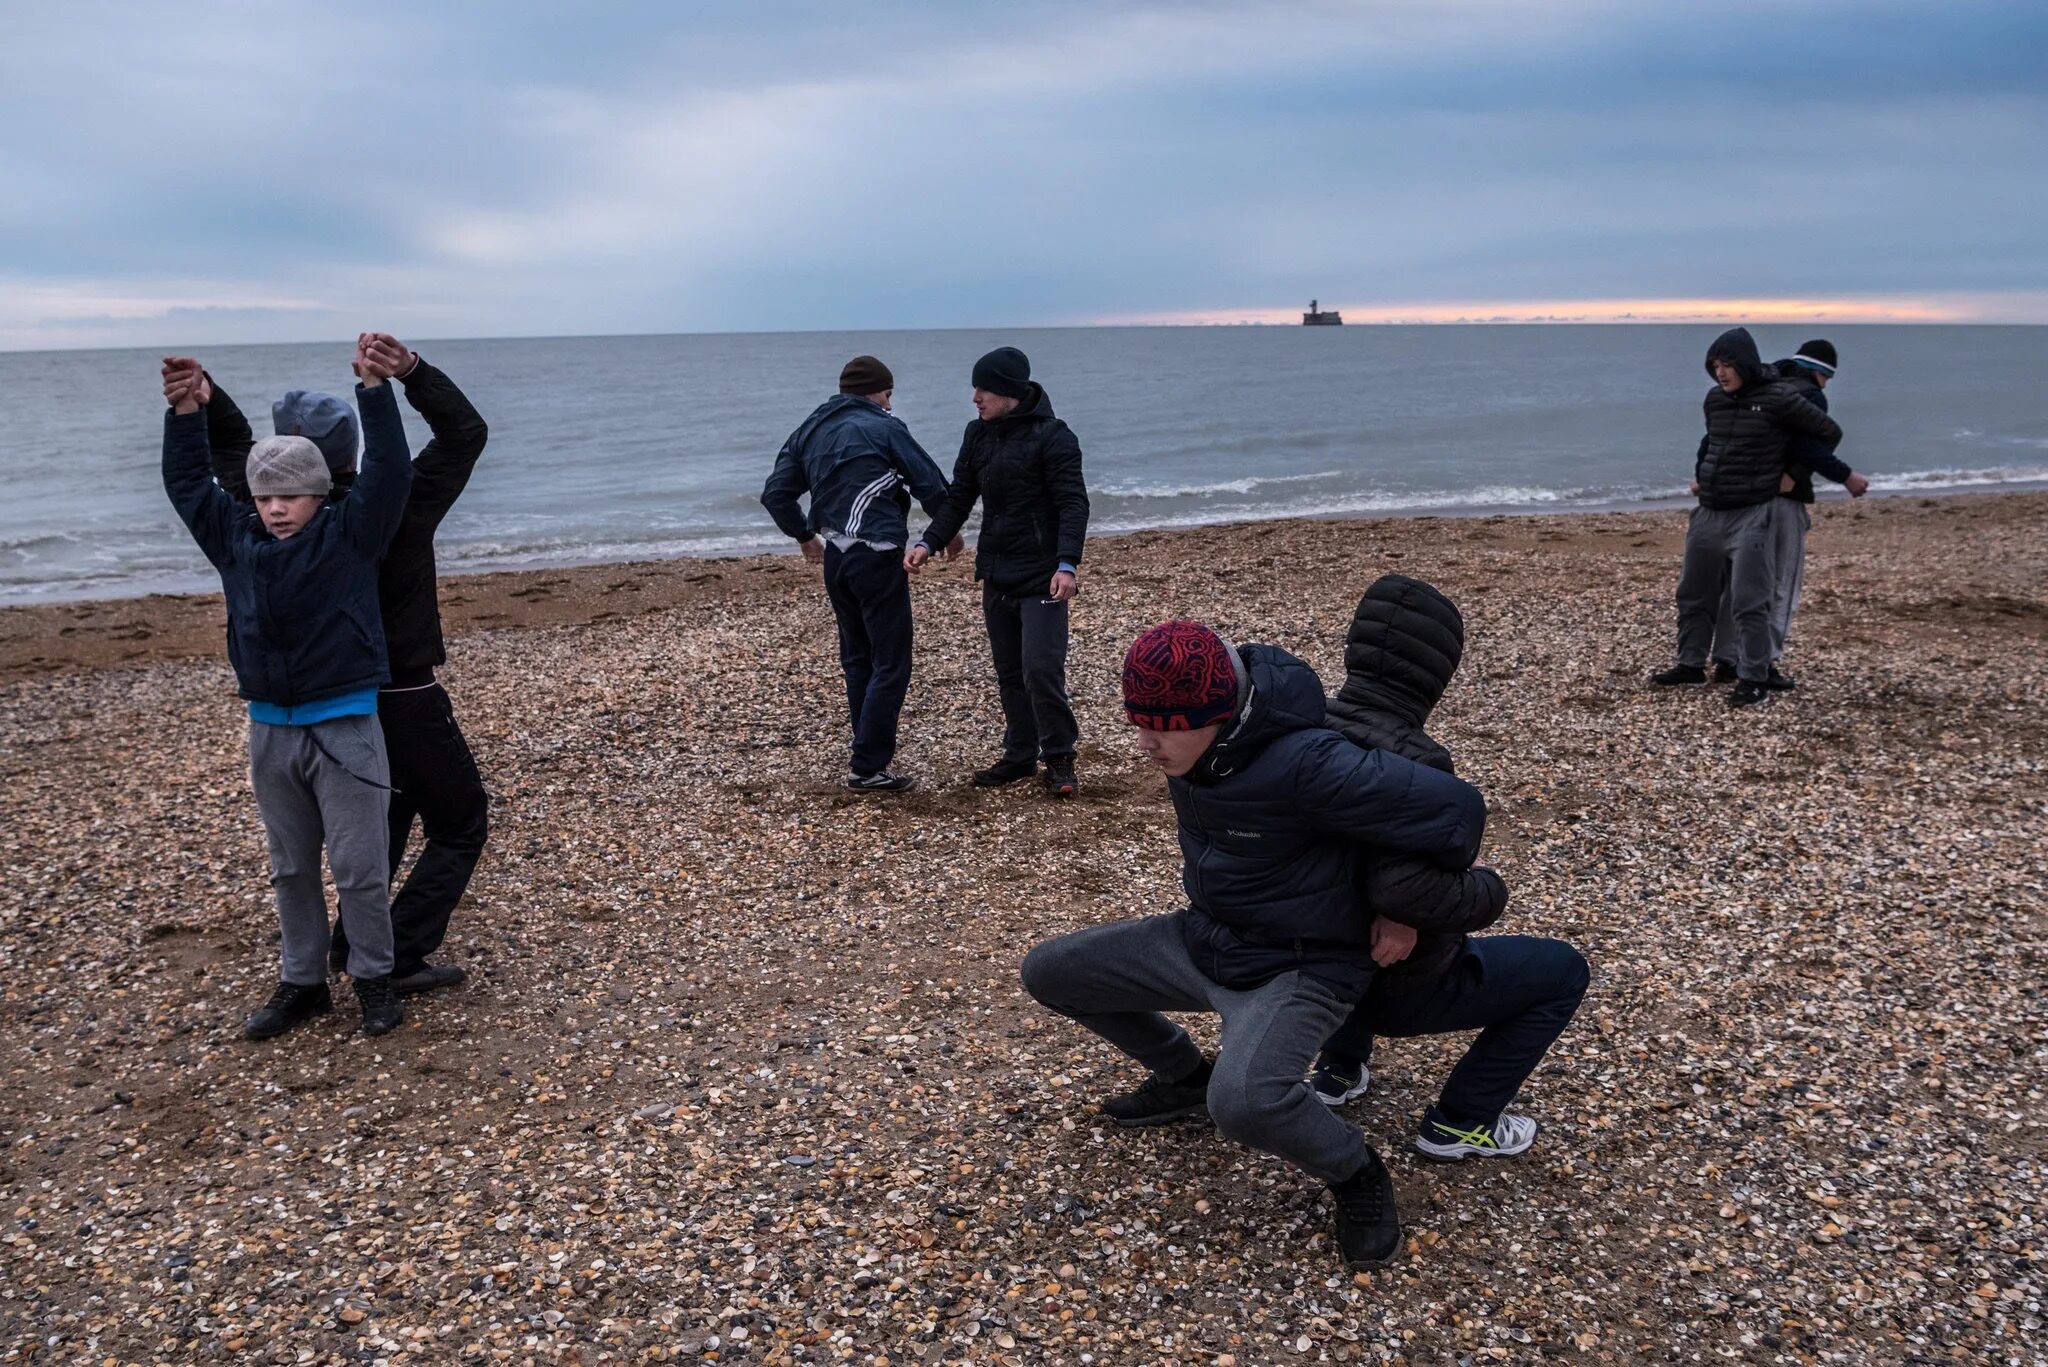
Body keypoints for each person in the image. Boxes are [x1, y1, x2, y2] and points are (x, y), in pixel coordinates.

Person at [1020, 620, 1488, 1269]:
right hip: (1209, 938)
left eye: (1161, 725)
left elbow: (1457, 812)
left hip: (1302, 965)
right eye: (1138, 721)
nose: (1143, 743)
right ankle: (1184, 1074)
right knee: (1050, 971)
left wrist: (1401, 908)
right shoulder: (1199, 742)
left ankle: (1357, 1174)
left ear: (1217, 713)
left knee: (1243, 1103)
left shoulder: (1310, 762)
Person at [196, 334, 493, 997]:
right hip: (400, 692)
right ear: (350, 446)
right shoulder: (394, 499)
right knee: (460, 817)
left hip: (320, 703)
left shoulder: (263, 513)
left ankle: (353, 945)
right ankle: (400, 949)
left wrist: (208, 404)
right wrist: (407, 372)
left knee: (386, 815)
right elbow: (466, 433)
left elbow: (225, 457)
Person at [159, 338, 413, 1039]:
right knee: (291, 868)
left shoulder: (351, 535)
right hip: (270, 727)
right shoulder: (235, 538)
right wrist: (186, 412)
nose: (276, 508)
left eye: (291, 495)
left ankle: (373, 978)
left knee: (359, 869)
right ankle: (302, 982)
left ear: (320, 492)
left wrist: (373, 390)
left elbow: (389, 470)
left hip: (347, 725)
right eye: (266, 495)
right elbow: (188, 487)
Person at [1308, 576, 1589, 1163]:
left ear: (1354, 649)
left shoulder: (1303, 735)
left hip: (1307, 975)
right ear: (1437, 675)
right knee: (1563, 972)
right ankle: (1462, 1122)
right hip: (1396, 991)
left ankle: (1338, 1069)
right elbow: (1408, 890)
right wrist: (1485, 884)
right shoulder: (1420, 765)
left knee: (1341, 917)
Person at [762, 356, 956, 791]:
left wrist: (805, 536)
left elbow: (776, 494)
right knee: (890, 661)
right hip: (877, 554)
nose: (889, 404)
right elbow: (929, 482)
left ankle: (866, 757)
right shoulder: (885, 427)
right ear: (875, 393)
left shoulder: (808, 431)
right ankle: (867, 766)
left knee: (857, 659)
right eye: (888, 395)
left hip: (836, 557)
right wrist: (948, 532)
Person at [909, 347, 1090, 797]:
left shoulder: (1055, 437)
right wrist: (928, 541)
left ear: (1009, 392)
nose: (975, 397)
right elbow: (960, 497)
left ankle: (1060, 757)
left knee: (1041, 669)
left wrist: (1068, 564)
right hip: (997, 570)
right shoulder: (978, 435)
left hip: (1044, 574)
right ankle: (1020, 754)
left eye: (983, 388)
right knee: (1009, 671)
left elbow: (1073, 502)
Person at [1652, 327, 1842, 709]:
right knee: (1693, 594)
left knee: (1750, 600)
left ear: (1746, 365)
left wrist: (1794, 473)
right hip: (1709, 510)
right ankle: (1690, 665)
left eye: (1727, 365)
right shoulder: (1715, 400)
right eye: (1715, 365)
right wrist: (1703, 476)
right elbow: (1710, 442)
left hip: (1753, 513)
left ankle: (1753, 677)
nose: (1721, 373)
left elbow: (1827, 433)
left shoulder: (1779, 398)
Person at [1708, 339, 1871, 689]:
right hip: (1781, 501)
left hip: (1739, 499)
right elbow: (1806, 443)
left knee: (1738, 583)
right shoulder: (1810, 396)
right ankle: (1762, 663)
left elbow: (1716, 438)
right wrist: (1843, 476)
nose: (1827, 385)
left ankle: (1725, 658)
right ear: (1820, 372)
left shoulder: (1759, 386)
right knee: (1780, 582)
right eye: (1827, 377)